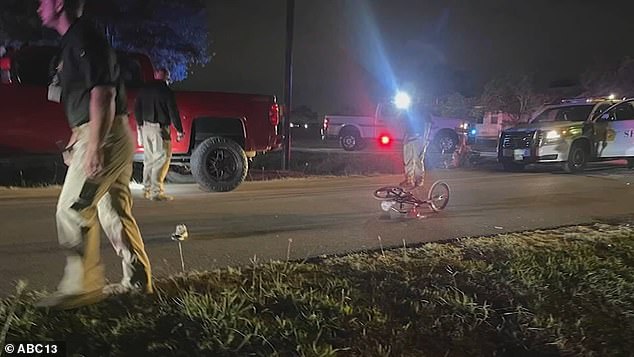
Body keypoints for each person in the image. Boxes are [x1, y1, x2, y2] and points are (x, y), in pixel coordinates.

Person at [36, 0, 152, 309]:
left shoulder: (84, 39)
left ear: (59, 4)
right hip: (106, 132)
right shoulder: (76, 41)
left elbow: (103, 93)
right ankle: (137, 283)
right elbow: (86, 97)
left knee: (73, 209)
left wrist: (96, 146)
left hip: (106, 134)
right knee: (113, 211)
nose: (38, 7)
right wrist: (78, 140)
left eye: (43, 2)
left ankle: (80, 288)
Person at [134, 68, 184, 201]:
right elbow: (173, 111)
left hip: (145, 127)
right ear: (166, 77)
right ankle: (157, 192)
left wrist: (139, 125)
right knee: (162, 158)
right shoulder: (166, 91)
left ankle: (146, 189)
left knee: (149, 159)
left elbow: (137, 107)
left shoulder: (144, 89)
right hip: (159, 129)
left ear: (155, 75)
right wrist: (179, 129)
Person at [400, 106, 432, 188]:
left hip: (419, 138)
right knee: (408, 160)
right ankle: (409, 180)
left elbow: (427, 124)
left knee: (418, 160)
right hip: (409, 138)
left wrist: (424, 139)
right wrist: (405, 137)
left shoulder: (423, 112)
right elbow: (406, 125)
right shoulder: (408, 111)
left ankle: (419, 180)